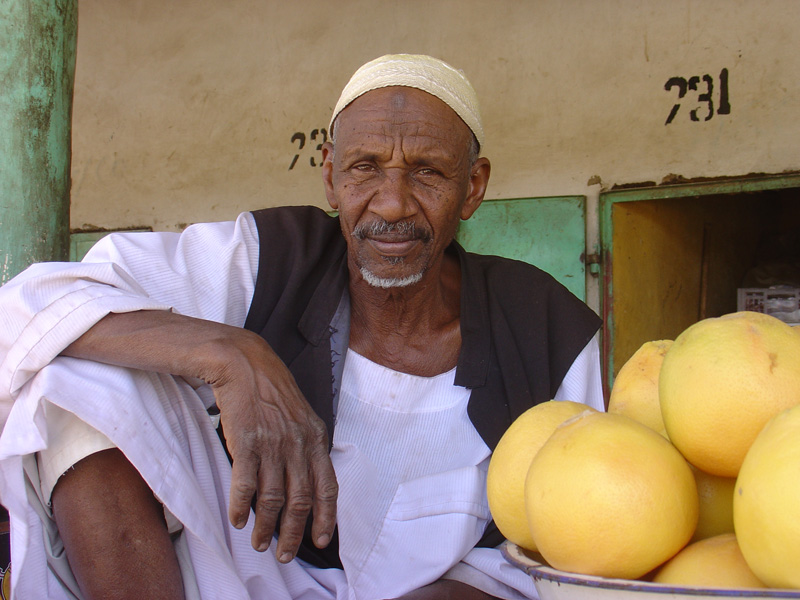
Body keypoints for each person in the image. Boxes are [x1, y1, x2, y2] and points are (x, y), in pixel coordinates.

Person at [0, 54, 604, 600]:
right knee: (74, 381)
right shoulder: (268, 257)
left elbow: (568, 545)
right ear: (330, 177)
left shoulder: (545, 326)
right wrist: (233, 356)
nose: (392, 204)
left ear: (472, 187)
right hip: (238, 577)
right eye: (365, 169)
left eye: (426, 173)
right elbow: (28, 305)